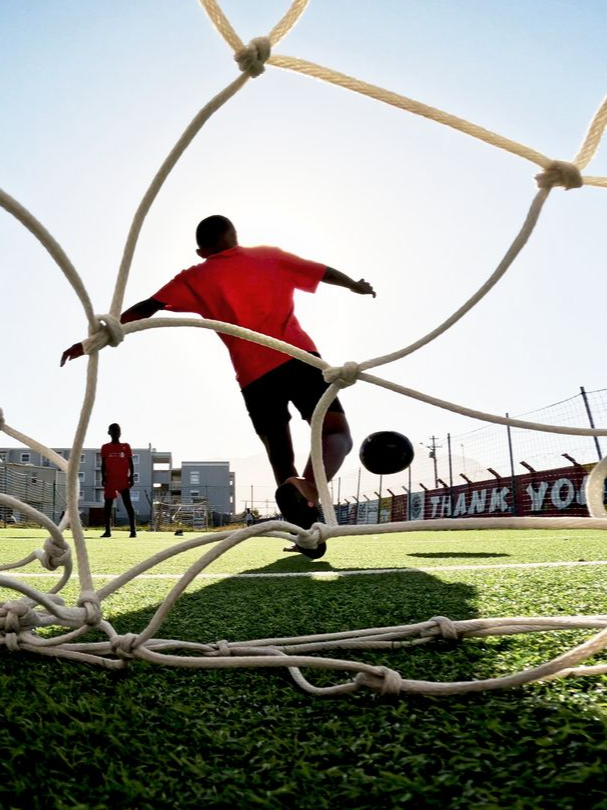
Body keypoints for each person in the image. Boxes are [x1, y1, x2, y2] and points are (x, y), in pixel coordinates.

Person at [61, 215, 375, 558]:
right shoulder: (269, 255)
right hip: (298, 358)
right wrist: (354, 285)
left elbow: (146, 308)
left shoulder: (195, 277)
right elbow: (322, 270)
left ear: (201, 251)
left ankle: (304, 533)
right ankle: (310, 488)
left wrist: (94, 340)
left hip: (254, 378)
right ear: (235, 236)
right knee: (335, 435)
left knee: (280, 459)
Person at [100, 423, 137, 538]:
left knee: (128, 505)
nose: (116, 432)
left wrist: (131, 477)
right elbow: (103, 464)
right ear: (109, 432)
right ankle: (107, 530)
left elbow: (131, 463)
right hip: (110, 480)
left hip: (123, 480)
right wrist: (103, 477)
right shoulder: (105, 447)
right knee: (108, 506)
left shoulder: (126, 446)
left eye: (118, 430)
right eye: (113, 430)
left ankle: (133, 530)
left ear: (120, 433)